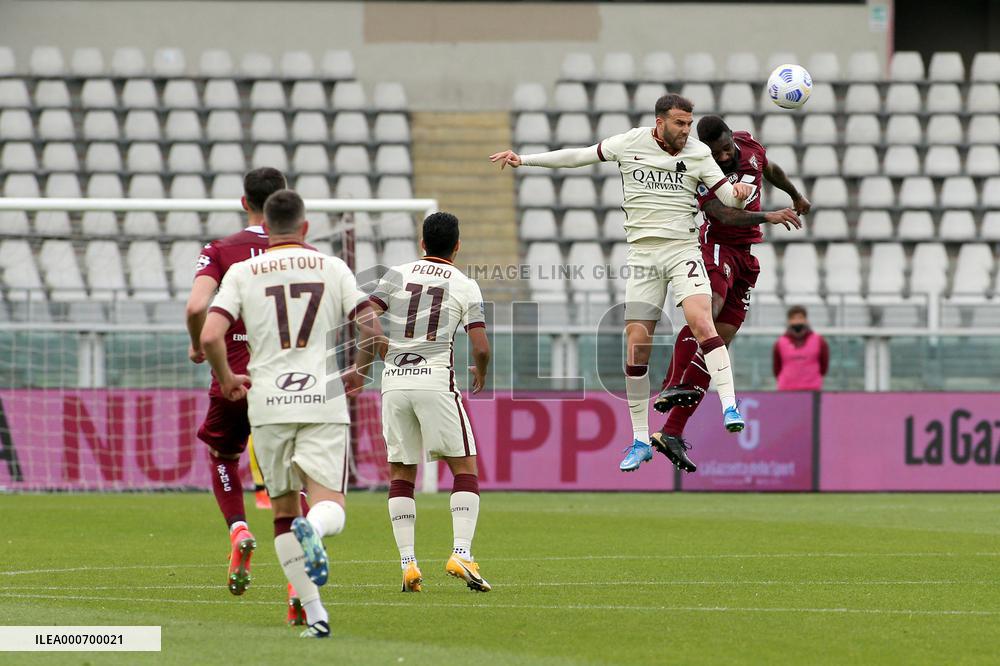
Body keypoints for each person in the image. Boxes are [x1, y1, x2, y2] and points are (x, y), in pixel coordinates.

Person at [491, 94, 768, 474]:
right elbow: (579, 155)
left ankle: (730, 405)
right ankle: (640, 440)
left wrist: (743, 193)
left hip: (683, 249)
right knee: (636, 344)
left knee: (701, 320)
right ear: (660, 122)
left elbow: (727, 197)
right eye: (679, 124)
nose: (687, 130)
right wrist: (525, 160)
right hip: (642, 256)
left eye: (689, 124)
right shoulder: (630, 143)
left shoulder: (699, 153)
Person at [200, 189, 382, 638]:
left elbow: (208, 334)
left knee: (281, 514)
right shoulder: (331, 266)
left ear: (265, 222)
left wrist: (226, 377)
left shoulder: (242, 272)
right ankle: (314, 530)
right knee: (329, 506)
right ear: (304, 227)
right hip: (321, 395)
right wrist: (358, 370)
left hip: (267, 400)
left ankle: (316, 616)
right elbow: (373, 329)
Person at [644, 116, 808, 470]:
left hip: (746, 257)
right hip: (716, 246)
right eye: (715, 153)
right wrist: (769, 216)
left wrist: (795, 194)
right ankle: (673, 383)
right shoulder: (701, 166)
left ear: (732, 141)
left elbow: (771, 168)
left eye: (724, 150)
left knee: (722, 340)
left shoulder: (749, 146)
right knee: (709, 312)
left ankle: (671, 431)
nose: (722, 158)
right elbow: (722, 216)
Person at [368, 212, 492, 593]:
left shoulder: (396, 274)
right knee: (465, 467)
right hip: (435, 380)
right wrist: (481, 370)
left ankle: (408, 564)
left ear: (422, 243)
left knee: (401, 472)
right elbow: (481, 346)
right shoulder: (465, 284)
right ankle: (461, 552)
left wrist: (384, 348)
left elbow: (363, 317)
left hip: (394, 381)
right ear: (457, 246)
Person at [185, 167, 289, 597]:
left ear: (244, 202)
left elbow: (196, 307)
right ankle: (300, 574)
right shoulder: (301, 252)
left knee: (223, 455)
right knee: (290, 477)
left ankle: (240, 529)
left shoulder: (220, 250)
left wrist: (197, 345)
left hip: (233, 377)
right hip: (288, 382)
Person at [773, 305, 829, 391]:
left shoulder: (819, 340)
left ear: (806, 320)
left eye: (800, 318)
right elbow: (777, 368)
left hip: (812, 390)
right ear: (789, 321)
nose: (797, 321)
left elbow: (824, 366)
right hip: (786, 390)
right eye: (793, 318)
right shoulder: (780, 342)